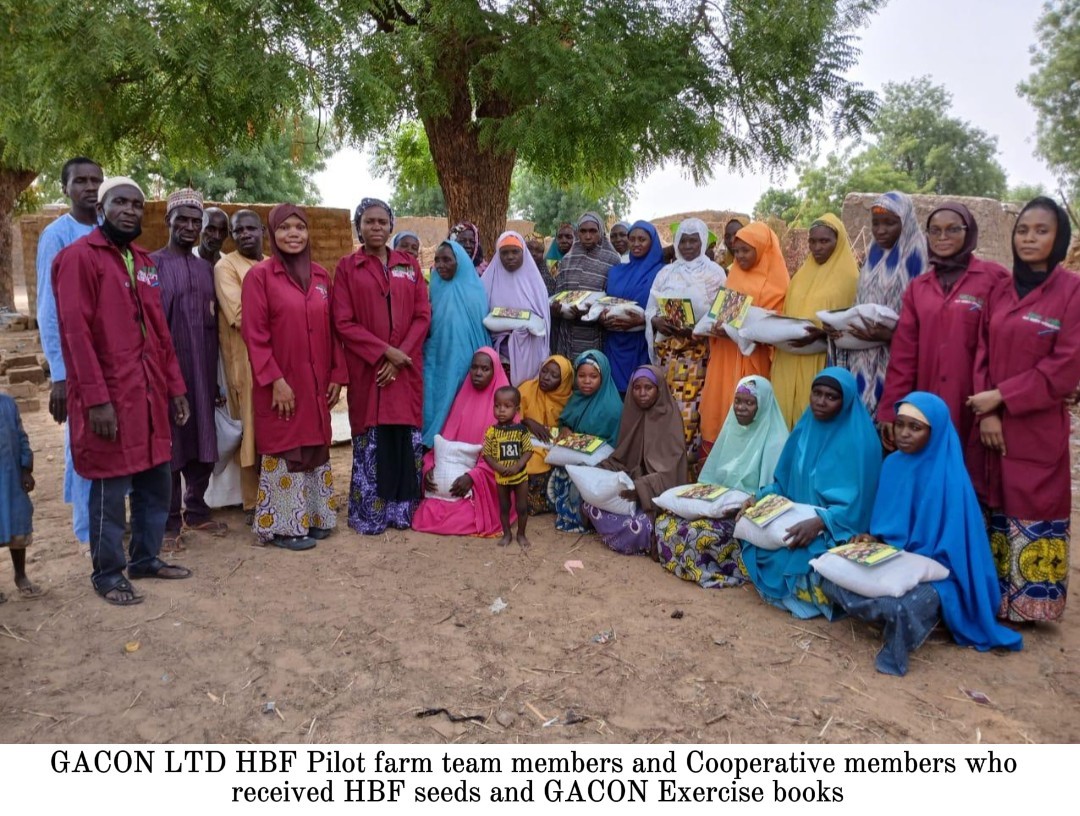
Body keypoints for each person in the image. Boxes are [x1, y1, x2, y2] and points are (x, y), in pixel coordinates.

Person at [54, 176, 192, 605]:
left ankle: (145, 558)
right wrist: (96, 400)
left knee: (156, 482)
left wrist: (176, 389)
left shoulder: (143, 262)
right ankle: (107, 573)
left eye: (136, 204)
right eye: (120, 203)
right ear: (102, 209)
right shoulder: (78, 259)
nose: (130, 210)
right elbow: (75, 335)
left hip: (149, 396)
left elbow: (161, 333)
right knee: (109, 492)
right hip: (110, 398)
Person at [822, 393, 1023, 676]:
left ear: (936, 431)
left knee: (903, 606)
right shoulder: (893, 465)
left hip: (938, 573)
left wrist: (913, 563)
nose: (904, 434)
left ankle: (899, 638)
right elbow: (885, 527)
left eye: (915, 428)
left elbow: (953, 555)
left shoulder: (949, 477)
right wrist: (871, 539)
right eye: (901, 424)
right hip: (892, 558)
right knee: (829, 576)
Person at [967, 197, 1079, 623]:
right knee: (994, 502)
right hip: (993, 425)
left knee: (1033, 502)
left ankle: (1033, 605)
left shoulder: (1072, 293)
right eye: (1023, 230)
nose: (1030, 238)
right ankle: (992, 599)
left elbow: (1066, 365)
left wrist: (1003, 397)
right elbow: (983, 352)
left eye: (1041, 230)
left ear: (1060, 238)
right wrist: (988, 411)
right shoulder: (1000, 289)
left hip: (1037, 425)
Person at [242, 204, 346, 550]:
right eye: (284, 228)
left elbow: (333, 331)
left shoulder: (320, 277)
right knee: (287, 447)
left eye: (299, 227)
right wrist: (275, 380)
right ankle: (285, 528)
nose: (293, 234)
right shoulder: (260, 277)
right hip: (282, 386)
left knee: (315, 444)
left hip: (316, 382)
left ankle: (316, 518)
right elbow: (255, 335)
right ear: (273, 234)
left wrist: (336, 374)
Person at [740, 368, 881, 619]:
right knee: (755, 535)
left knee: (808, 557)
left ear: (846, 400)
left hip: (837, 528)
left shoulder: (862, 442)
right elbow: (782, 484)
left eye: (830, 396)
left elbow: (860, 505)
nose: (820, 401)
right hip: (794, 517)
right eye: (816, 393)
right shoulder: (805, 429)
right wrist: (757, 499)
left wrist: (819, 523)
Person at [333, 198, 431, 535]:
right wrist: (384, 352)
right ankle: (370, 516)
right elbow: (343, 322)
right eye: (369, 222)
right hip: (371, 369)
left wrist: (401, 355)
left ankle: (401, 514)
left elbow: (422, 315)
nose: (376, 227)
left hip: (404, 369)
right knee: (372, 442)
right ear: (358, 226)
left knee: (403, 440)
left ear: (391, 226)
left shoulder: (409, 265)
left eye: (382, 222)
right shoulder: (348, 267)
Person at [878, 203, 1008, 451]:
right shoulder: (919, 288)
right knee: (931, 466)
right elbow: (904, 356)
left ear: (968, 232)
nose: (943, 237)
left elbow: (1005, 345)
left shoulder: (993, 279)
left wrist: (993, 408)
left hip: (974, 402)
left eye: (952, 230)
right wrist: (891, 407)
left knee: (973, 471)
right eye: (935, 231)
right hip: (928, 401)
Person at [655, 376, 788, 588]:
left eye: (749, 402)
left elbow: (776, 493)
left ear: (762, 405)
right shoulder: (731, 429)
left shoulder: (776, 441)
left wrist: (744, 504)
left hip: (748, 515)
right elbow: (712, 478)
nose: (741, 408)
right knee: (665, 523)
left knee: (697, 534)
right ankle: (685, 565)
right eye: (738, 401)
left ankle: (713, 571)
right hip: (719, 506)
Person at [150, 189, 227, 549]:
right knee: (171, 448)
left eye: (196, 222)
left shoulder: (204, 269)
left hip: (202, 371)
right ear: (168, 221)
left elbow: (212, 325)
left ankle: (196, 510)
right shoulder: (153, 266)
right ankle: (167, 523)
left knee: (202, 442)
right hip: (168, 374)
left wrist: (212, 379)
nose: (190, 227)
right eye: (182, 219)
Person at [35, 156, 103, 556]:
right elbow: (48, 309)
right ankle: (85, 531)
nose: (90, 187)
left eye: (96, 180)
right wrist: (59, 374)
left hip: (109, 359)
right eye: (81, 181)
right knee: (80, 443)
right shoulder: (56, 235)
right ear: (65, 188)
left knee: (109, 441)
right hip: (75, 364)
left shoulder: (106, 229)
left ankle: (109, 522)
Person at [829, 192, 928, 418]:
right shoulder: (871, 259)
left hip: (896, 363)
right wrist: (840, 327)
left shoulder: (919, 261)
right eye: (876, 224)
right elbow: (862, 303)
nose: (881, 230)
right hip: (861, 359)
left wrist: (891, 335)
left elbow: (926, 321)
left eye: (890, 223)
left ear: (906, 222)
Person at [645, 218, 726, 475]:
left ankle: (691, 473)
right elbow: (650, 309)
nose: (688, 245)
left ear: (703, 242)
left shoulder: (715, 273)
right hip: (670, 355)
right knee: (667, 410)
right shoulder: (666, 273)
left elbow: (722, 314)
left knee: (693, 413)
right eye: (683, 240)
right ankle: (665, 470)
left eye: (694, 240)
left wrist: (699, 328)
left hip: (700, 356)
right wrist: (656, 320)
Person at [699, 221, 789, 448]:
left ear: (761, 249)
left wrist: (735, 330)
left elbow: (773, 325)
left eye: (745, 250)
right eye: (736, 250)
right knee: (719, 409)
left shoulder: (778, 284)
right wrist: (720, 327)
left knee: (749, 416)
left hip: (753, 360)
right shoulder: (734, 277)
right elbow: (723, 313)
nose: (739, 256)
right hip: (724, 359)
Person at [581, 366, 687, 555]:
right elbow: (622, 458)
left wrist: (640, 488)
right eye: (637, 388)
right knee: (590, 503)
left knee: (639, 525)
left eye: (648, 388)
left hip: (657, 494)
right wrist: (597, 470)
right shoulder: (632, 413)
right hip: (629, 488)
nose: (642, 393)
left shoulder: (669, 418)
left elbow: (672, 473)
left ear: (659, 389)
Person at [770, 214, 859, 429]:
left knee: (813, 417)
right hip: (789, 357)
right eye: (812, 241)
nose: (817, 247)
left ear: (838, 242)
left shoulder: (850, 279)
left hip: (822, 359)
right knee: (782, 419)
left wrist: (822, 334)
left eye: (824, 241)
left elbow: (850, 328)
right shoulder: (801, 276)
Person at [413, 348, 510, 538]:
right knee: (427, 514)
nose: (478, 373)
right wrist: (430, 468)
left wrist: (473, 477)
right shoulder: (461, 400)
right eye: (474, 368)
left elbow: (505, 459)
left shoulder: (505, 408)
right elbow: (442, 443)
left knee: (464, 517)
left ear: (495, 371)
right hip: (455, 483)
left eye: (485, 369)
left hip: (483, 486)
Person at [214, 209, 265, 522]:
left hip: (277, 358)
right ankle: (253, 501)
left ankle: (277, 492)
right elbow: (239, 314)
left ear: (263, 231)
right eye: (238, 230)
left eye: (251, 228)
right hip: (244, 361)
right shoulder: (226, 266)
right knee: (251, 428)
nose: (245, 234)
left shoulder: (273, 262)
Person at [422, 239, 491, 448]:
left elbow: (480, 328)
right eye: (437, 260)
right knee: (435, 401)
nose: (441, 265)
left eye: (447, 260)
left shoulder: (474, 288)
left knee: (459, 405)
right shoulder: (435, 284)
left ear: (459, 262)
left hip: (465, 359)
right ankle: (432, 451)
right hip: (437, 357)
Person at [547, 350, 623, 533]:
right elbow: (565, 421)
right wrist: (565, 429)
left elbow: (616, 442)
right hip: (575, 455)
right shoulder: (577, 398)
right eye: (581, 376)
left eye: (593, 376)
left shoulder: (613, 406)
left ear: (603, 377)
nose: (586, 381)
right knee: (561, 472)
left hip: (601, 462)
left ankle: (582, 519)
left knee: (580, 480)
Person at [481, 230, 551, 386]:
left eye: (515, 252)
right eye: (504, 253)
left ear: (523, 253)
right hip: (497, 354)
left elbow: (543, 322)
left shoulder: (536, 285)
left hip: (529, 353)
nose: (510, 257)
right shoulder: (488, 281)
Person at [603, 220, 664, 394]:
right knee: (615, 394)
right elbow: (607, 301)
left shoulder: (663, 273)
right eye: (632, 239)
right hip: (614, 343)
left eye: (642, 240)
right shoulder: (616, 271)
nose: (636, 244)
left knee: (642, 392)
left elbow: (665, 310)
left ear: (652, 242)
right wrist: (602, 315)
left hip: (643, 344)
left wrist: (644, 320)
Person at [552, 212, 621, 360]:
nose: (588, 236)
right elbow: (559, 294)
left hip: (596, 332)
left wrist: (592, 311)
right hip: (568, 331)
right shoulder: (567, 260)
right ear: (578, 233)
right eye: (583, 231)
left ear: (601, 232)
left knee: (592, 372)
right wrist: (558, 308)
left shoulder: (612, 260)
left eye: (592, 231)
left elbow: (615, 299)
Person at [517, 354, 574, 514]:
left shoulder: (571, 400)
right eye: (544, 371)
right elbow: (510, 418)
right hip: (525, 442)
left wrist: (565, 429)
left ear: (564, 380)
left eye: (554, 376)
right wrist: (527, 421)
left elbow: (573, 427)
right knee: (529, 460)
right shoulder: (527, 389)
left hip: (553, 448)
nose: (546, 378)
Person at [0, 393, 41, 601]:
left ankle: (20, 575)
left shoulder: (8, 404)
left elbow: (21, 436)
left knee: (17, 526)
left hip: (11, 478)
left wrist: (26, 468)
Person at [483, 386, 533, 548]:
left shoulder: (521, 431)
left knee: (522, 506)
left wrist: (518, 466)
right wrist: (497, 467)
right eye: (497, 406)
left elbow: (528, 451)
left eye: (507, 406)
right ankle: (507, 534)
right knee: (504, 507)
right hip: (501, 478)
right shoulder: (491, 432)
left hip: (520, 477)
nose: (501, 410)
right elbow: (486, 454)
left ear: (516, 409)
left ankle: (521, 534)